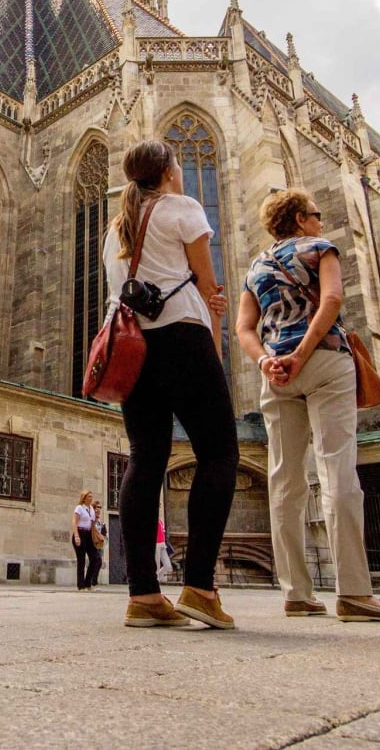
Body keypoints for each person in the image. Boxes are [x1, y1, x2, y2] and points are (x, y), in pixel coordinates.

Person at [237, 189, 380, 623]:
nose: (320, 220)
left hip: (276, 374)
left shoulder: (256, 267)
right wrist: (303, 352)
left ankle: (296, 592)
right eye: (315, 214)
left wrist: (267, 361)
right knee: (338, 472)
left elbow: (243, 328)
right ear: (299, 219)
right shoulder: (320, 248)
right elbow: (332, 301)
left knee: (284, 480)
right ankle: (353, 591)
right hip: (325, 361)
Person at [105, 139, 237, 629]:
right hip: (181, 337)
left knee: (145, 459)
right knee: (219, 453)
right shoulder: (182, 207)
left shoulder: (116, 227)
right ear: (167, 172)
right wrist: (214, 321)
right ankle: (200, 586)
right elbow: (207, 282)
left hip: (131, 347)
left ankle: (143, 595)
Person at [71, 491, 101, 591]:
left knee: (95, 558)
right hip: (80, 532)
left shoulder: (91, 509)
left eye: (91, 496)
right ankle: (81, 585)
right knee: (81, 560)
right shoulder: (79, 508)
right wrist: (76, 535)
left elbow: (92, 523)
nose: (91, 498)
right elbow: (74, 522)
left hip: (89, 534)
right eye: (89, 497)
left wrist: (97, 516)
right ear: (84, 498)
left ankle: (88, 582)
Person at [89, 500, 107, 588]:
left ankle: (92, 582)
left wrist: (103, 533)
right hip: (91, 543)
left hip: (99, 544)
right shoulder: (91, 520)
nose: (98, 509)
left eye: (100, 507)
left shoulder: (100, 521)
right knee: (97, 561)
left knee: (98, 562)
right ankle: (92, 582)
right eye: (97, 507)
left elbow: (104, 534)